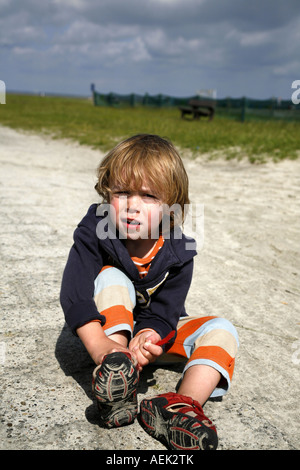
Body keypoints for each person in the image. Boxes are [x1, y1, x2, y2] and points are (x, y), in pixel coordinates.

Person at [60, 134, 239, 451]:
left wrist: (150, 335)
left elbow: (167, 311)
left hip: (152, 344)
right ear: (107, 193)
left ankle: (178, 407)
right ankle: (117, 376)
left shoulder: (180, 252)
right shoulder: (95, 230)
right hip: (103, 334)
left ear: (171, 207)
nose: (132, 205)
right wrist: (101, 345)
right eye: (122, 192)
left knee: (222, 330)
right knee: (112, 276)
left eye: (148, 196)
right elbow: (74, 291)